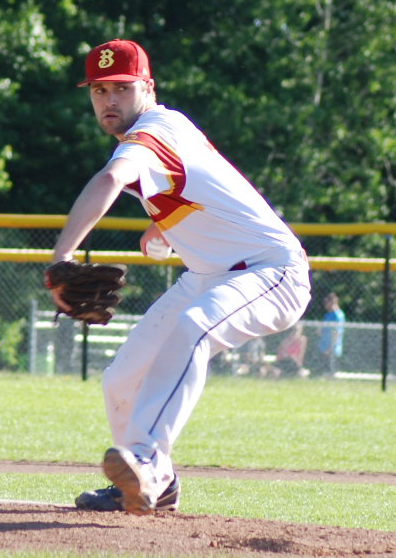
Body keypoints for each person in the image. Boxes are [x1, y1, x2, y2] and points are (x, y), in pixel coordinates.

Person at [50, 39, 311, 514]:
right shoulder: (167, 130)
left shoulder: (152, 131)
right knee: (121, 379)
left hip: (272, 270)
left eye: (122, 88)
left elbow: (109, 180)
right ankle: (157, 484)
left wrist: (62, 255)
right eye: (99, 90)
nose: (109, 100)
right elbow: (202, 184)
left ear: (147, 88)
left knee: (194, 327)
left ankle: (147, 462)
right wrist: (163, 226)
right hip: (207, 275)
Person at [315, 291, 345, 377]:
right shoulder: (328, 315)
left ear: (332, 302)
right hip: (323, 347)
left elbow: (336, 332)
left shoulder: (337, 316)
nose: (325, 305)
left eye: (326, 302)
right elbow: (323, 330)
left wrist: (331, 348)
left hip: (331, 349)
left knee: (329, 373)